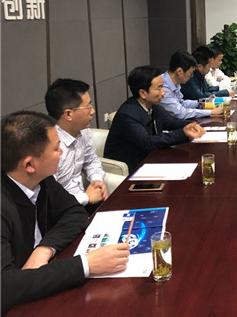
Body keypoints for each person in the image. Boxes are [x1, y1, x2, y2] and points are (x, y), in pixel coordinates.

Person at [1, 111, 130, 314]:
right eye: (56, 148)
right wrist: (85, 265)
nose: (61, 152)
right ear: (29, 165)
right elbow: (5, 287)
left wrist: (44, 249)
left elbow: (75, 213)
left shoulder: (42, 179)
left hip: (41, 283)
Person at [104, 66, 206, 173]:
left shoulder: (152, 106)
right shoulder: (128, 114)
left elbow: (170, 122)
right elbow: (147, 142)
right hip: (131, 169)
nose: (163, 92)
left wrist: (191, 125)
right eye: (159, 88)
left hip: (150, 160)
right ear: (143, 93)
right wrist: (183, 133)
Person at [44, 79, 107, 215]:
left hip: (85, 202)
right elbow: (50, 199)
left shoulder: (83, 131)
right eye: (88, 107)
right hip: (62, 213)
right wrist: (86, 198)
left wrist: (96, 179)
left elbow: (91, 160)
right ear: (68, 114)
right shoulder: (49, 147)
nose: (93, 111)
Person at [159, 51, 224, 121]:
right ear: (179, 71)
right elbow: (181, 113)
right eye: (190, 73)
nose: (191, 76)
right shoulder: (163, 86)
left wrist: (202, 102)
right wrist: (210, 112)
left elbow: (182, 103)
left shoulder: (174, 82)